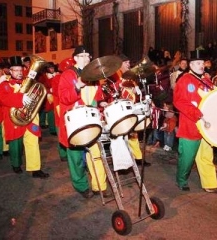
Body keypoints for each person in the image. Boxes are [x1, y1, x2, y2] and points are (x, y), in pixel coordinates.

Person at [173, 50, 217, 194]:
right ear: (190, 65)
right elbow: (179, 102)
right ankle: (181, 180)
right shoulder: (184, 80)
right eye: (197, 63)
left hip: (207, 127)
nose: (201, 65)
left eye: (202, 63)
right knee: (187, 159)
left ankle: (210, 184)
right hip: (191, 126)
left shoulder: (206, 80)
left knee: (206, 156)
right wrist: (198, 114)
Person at [58, 46, 108, 198]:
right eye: (82, 55)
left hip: (91, 121)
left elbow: (97, 97)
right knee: (76, 159)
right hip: (74, 122)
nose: (87, 58)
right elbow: (64, 98)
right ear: (75, 58)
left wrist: (102, 104)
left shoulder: (94, 75)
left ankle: (100, 185)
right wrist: (77, 87)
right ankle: (81, 185)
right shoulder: (68, 75)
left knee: (96, 154)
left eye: (88, 55)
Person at [0, 56, 49, 178]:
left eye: (20, 70)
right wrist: (21, 98)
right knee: (16, 145)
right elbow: (2, 99)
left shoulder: (30, 82)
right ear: (10, 71)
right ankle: (16, 164)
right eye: (15, 70)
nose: (19, 73)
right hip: (14, 120)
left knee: (33, 143)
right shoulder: (5, 84)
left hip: (30, 119)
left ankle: (35, 169)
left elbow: (38, 94)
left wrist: (33, 96)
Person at [109, 54, 151, 166]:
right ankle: (121, 160)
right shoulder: (115, 76)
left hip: (131, 108)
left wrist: (137, 91)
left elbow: (135, 93)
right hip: (120, 109)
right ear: (120, 64)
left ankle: (138, 158)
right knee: (119, 136)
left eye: (129, 62)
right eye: (126, 62)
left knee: (133, 133)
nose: (129, 64)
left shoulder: (131, 77)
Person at [38, 62, 57, 135]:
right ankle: (52, 129)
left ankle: (53, 127)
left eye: (52, 67)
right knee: (50, 113)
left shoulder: (56, 75)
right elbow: (41, 86)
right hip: (47, 96)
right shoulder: (43, 76)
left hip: (55, 95)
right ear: (47, 69)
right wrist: (49, 90)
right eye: (50, 68)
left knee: (55, 112)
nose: (52, 69)